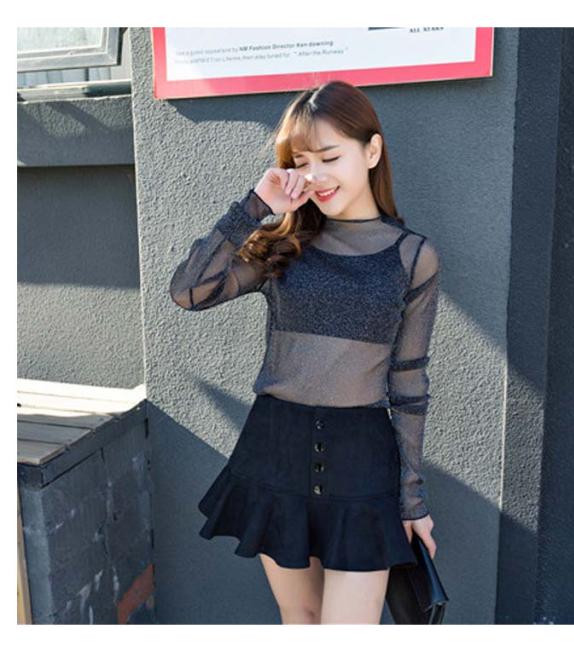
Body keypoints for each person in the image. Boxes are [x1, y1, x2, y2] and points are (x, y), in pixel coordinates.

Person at [169, 79, 440, 625]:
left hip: (362, 460)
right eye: (301, 161)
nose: (315, 175)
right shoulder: (284, 246)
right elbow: (189, 291)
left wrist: (412, 500)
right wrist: (255, 206)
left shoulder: (413, 257)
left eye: (330, 157)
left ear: (372, 151)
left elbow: (408, 383)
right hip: (276, 450)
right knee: (301, 619)